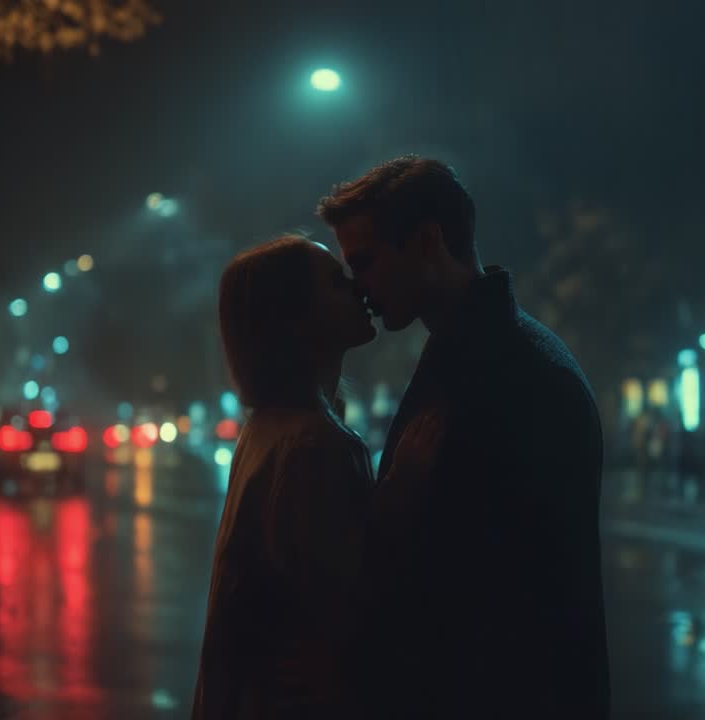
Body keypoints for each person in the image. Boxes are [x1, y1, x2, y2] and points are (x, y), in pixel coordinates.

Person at [319, 155, 609, 719]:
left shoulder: (511, 372)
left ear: (428, 241)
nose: (360, 289)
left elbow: (483, 598)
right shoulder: (477, 353)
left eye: (366, 262)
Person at [192, 235, 440, 719]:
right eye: (336, 282)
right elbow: (349, 598)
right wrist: (402, 491)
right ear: (295, 320)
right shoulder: (314, 443)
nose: (360, 290)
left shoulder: (269, 427)